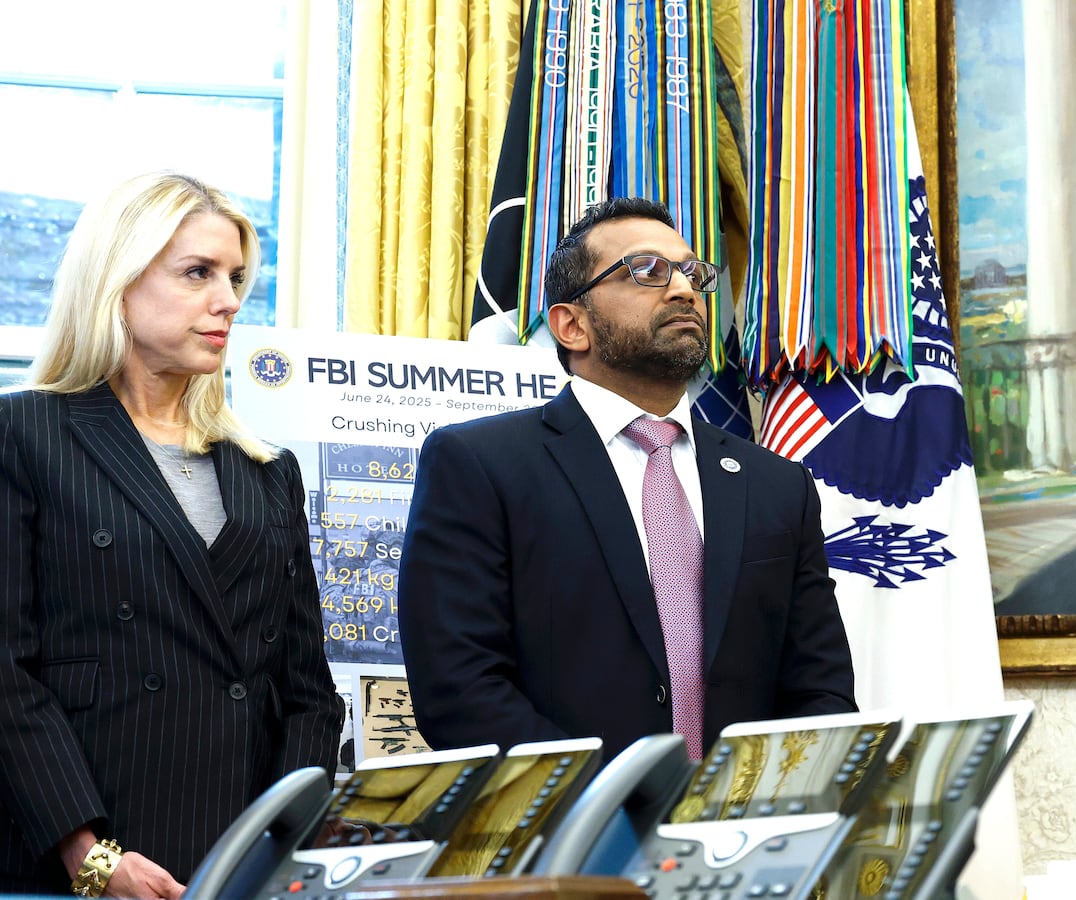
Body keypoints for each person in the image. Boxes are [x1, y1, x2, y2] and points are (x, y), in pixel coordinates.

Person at [398, 197, 856, 761]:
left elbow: (821, 686)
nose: (684, 290)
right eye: (648, 271)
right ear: (571, 324)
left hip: (735, 830)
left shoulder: (777, 484)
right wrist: (613, 802)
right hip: (566, 832)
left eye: (693, 273)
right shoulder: (478, 464)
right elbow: (459, 690)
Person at [0, 172, 342, 898]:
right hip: (78, 854)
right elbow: (6, 672)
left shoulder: (266, 469)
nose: (228, 300)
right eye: (198, 273)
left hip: (240, 860)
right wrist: (89, 854)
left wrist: (279, 843)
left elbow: (308, 689)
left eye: (236, 277)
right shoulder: (24, 433)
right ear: (116, 279)